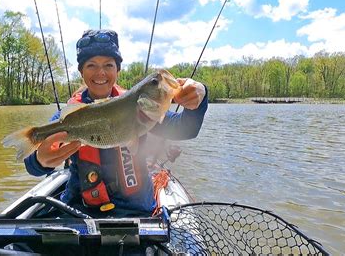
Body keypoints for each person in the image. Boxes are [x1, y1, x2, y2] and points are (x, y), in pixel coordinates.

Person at [23, 29, 208, 217]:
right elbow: (31, 166)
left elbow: (186, 129)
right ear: (81, 72)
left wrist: (199, 97)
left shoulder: (143, 108)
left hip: (134, 211)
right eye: (91, 65)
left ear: (117, 70)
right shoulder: (69, 116)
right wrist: (41, 160)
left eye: (109, 65)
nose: (100, 73)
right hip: (80, 210)